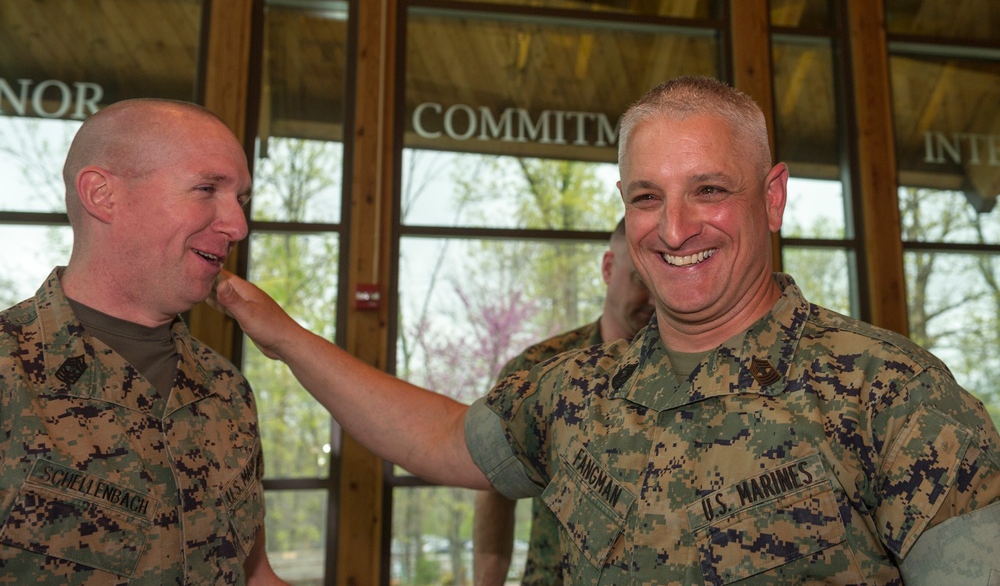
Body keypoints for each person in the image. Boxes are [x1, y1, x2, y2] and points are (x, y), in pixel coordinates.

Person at [214, 76, 1000, 584]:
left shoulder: (891, 396)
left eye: (710, 190)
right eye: (647, 197)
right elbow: (442, 438)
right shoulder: (579, 388)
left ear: (772, 197)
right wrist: (280, 335)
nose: (676, 227)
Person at [0, 99, 286, 584]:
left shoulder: (225, 390)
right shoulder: (12, 374)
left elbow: (254, 575)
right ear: (102, 194)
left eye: (241, 200)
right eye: (206, 189)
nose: (237, 225)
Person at [473, 218, 654, 586]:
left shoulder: (694, 374)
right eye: (640, 280)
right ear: (608, 268)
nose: (654, 299)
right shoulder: (537, 370)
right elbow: (493, 489)